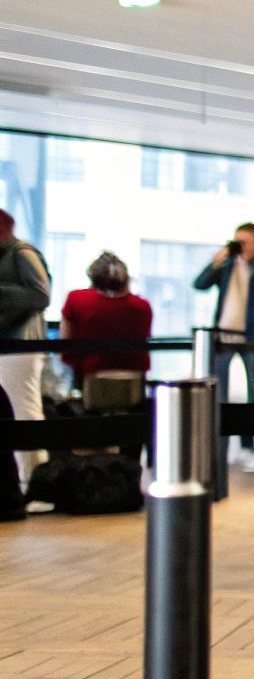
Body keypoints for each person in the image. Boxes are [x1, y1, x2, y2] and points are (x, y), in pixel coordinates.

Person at [193, 222, 254, 471]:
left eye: (245, 241)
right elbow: (199, 284)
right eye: (236, 241)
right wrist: (217, 261)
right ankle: (237, 448)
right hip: (224, 336)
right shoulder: (227, 264)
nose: (239, 246)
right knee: (220, 394)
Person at [0, 208, 51, 496]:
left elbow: (42, 295)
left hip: (22, 346)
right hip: (11, 345)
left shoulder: (22, 253)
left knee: (25, 410)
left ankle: (36, 483)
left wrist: (3, 292)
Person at [59, 251, 152, 387]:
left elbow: (66, 347)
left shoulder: (76, 300)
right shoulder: (142, 306)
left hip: (88, 381)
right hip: (133, 384)